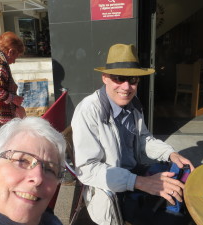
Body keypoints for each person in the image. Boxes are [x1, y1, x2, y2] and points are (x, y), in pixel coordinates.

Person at [71, 44, 195, 225]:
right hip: (114, 194)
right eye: (119, 78)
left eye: (133, 79)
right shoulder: (88, 110)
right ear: (105, 77)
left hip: (136, 175)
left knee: (186, 189)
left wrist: (170, 154)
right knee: (176, 219)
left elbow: (144, 138)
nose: (126, 87)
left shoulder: (133, 103)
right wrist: (140, 182)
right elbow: (87, 169)